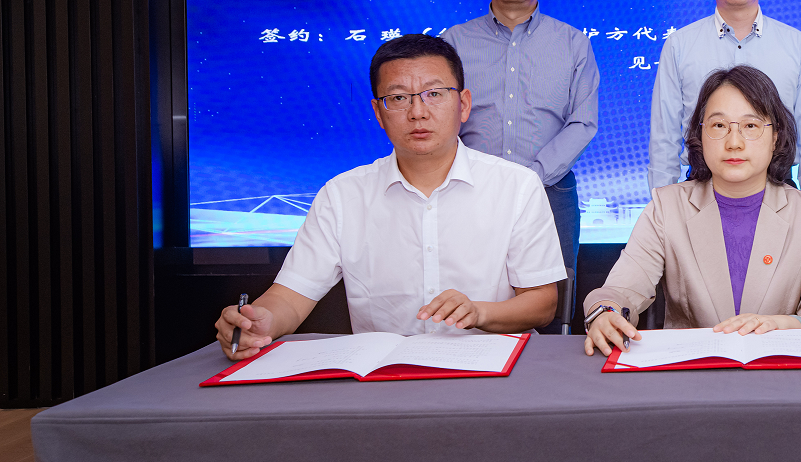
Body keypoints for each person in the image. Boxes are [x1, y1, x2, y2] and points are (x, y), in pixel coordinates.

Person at [213, 34, 567, 360]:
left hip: (494, 370)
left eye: (434, 94)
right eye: (398, 98)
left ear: (463, 104)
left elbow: (541, 303)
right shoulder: (342, 195)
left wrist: (480, 312)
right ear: (378, 113)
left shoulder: (516, 185)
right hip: (383, 379)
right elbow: (290, 298)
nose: (417, 112)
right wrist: (258, 322)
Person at [585, 66, 801, 356]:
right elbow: (619, 291)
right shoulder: (666, 208)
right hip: (689, 368)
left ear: (776, 137)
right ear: (700, 134)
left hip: (780, 367)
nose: (734, 143)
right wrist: (605, 312)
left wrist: (783, 324)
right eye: (719, 126)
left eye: (751, 126)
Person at [443, 0, 598, 274]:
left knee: (553, 296)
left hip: (550, 192)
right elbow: (442, 120)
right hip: (468, 191)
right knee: (465, 289)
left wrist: (532, 178)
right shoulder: (454, 42)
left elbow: (583, 122)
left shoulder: (573, 43)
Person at [648, 0, 801, 199]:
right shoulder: (679, 45)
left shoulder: (796, 44)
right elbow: (664, 137)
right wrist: (662, 206)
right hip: (700, 191)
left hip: (779, 191)